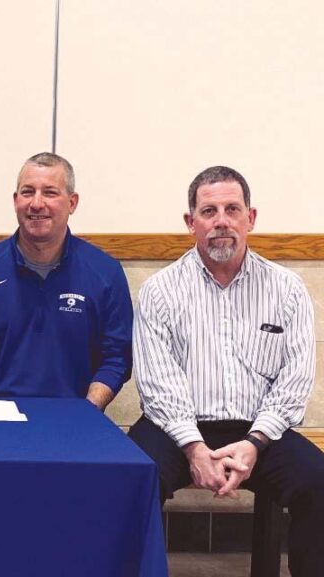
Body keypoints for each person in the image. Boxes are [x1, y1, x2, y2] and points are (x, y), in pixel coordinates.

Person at [129, 166, 323, 576]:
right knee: (133, 481)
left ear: (250, 218)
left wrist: (254, 442)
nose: (221, 221)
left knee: (319, 481)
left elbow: (295, 380)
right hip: (176, 429)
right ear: (190, 223)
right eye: (209, 211)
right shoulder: (161, 290)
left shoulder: (286, 289)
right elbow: (158, 385)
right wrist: (194, 449)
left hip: (259, 430)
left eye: (232, 209)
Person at [0, 153, 132, 409]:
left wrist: (86, 412)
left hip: (76, 421)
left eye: (50, 193)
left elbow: (116, 358)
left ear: (72, 203)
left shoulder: (106, 273)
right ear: (15, 201)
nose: (36, 204)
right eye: (27, 192)